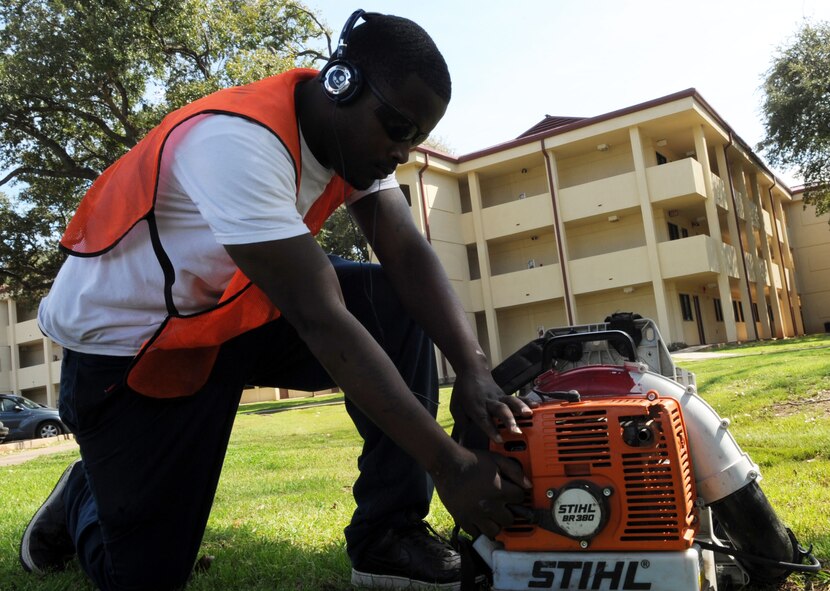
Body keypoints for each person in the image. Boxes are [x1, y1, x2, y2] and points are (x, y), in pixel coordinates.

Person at [20, 9, 532, 591]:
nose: (402, 152)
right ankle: (83, 491)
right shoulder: (236, 141)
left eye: (414, 138)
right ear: (343, 83)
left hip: (228, 319)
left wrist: (473, 369)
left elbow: (407, 254)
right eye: (396, 128)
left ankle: (388, 534)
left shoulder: (355, 144)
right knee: (143, 575)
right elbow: (322, 320)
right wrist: (451, 465)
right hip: (131, 353)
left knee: (392, 303)